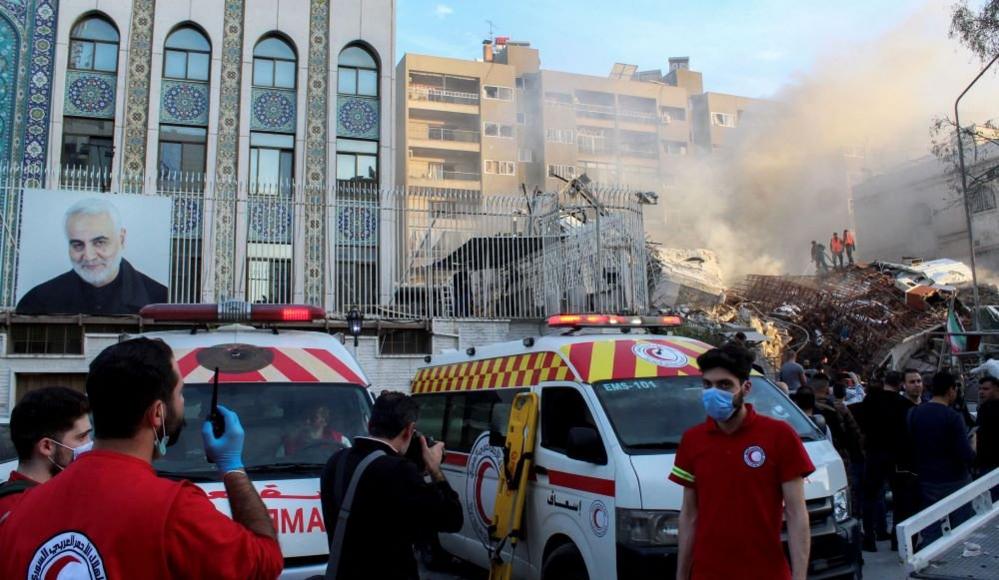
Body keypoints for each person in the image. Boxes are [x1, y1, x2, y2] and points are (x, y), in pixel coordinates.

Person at [0, 338, 284, 578]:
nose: (183, 403)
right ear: (158, 413)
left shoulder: (20, 513)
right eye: (181, 393)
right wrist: (233, 468)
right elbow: (265, 562)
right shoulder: (175, 510)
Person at [671, 343, 813, 580]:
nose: (714, 392)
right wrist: (682, 575)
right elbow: (689, 514)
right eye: (707, 385)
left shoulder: (780, 436)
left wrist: (799, 577)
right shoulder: (692, 440)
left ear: (746, 388)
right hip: (707, 573)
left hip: (766, 572)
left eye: (724, 385)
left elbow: (797, 513)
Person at [320, 391, 463, 579]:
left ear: (370, 424)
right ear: (409, 430)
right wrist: (435, 470)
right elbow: (452, 519)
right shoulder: (399, 471)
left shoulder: (336, 461)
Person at [16, 198, 168, 315]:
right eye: (78, 245)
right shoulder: (37, 303)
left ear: (121, 239)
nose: (88, 256)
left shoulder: (160, 300)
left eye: (99, 242)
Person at [907, 371, 976, 545]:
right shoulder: (953, 417)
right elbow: (966, 454)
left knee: (931, 531)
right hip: (955, 481)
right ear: (951, 390)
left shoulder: (914, 413)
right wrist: (974, 442)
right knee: (961, 530)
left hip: (926, 480)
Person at [0, 387, 91, 518]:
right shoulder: (16, 512)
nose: (89, 444)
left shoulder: (59, 493)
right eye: (82, 437)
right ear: (47, 446)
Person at [856, 371, 913, 551]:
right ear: (901, 384)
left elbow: (862, 426)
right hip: (898, 456)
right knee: (900, 499)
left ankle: (869, 538)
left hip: (874, 453)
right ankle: (898, 540)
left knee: (870, 497)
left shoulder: (870, 401)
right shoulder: (905, 405)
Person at [283, 406, 349, 456]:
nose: (307, 421)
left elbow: (349, 464)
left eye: (313, 418)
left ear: (325, 421)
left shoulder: (340, 441)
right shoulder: (290, 442)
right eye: (305, 417)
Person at [975, 375, 999, 477]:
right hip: (985, 463)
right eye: (980, 389)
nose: (981, 392)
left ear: (997, 389)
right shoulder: (983, 408)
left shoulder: (986, 409)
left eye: (986, 389)